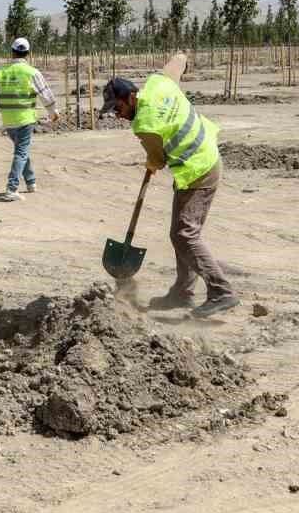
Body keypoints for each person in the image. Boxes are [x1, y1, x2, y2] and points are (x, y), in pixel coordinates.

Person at [100, 51, 240, 318]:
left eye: (118, 108)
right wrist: (182, 56)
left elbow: (157, 158)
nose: (118, 115)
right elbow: (176, 65)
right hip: (202, 159)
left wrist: (152, 164)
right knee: (180, 232)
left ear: (130, 97)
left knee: (184, 234)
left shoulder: (144, 123)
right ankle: (183, 293)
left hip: (199, 170)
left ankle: (221, 291)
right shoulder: (158, 83)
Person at [0, 37, 59, 202]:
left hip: (9, 120)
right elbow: (45, 93)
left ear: (12, 52)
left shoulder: (2, 73)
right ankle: (11, 188)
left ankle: (31, 182)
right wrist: (53, 112)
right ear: (28, 54)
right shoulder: (32, 72)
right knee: (21, 152)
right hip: (25, 119)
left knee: (21, 151)